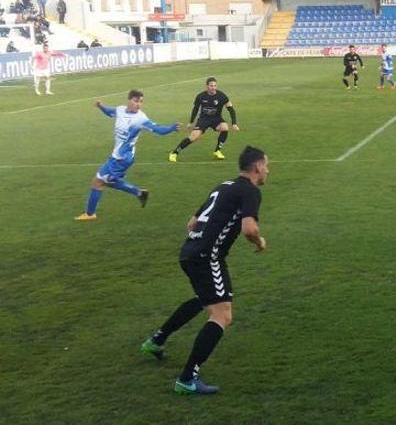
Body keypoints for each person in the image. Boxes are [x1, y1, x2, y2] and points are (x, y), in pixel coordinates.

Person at [140, 146, 268, 395]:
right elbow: (250, 229)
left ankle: (156, 340)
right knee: (222, 315)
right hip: (207, 256)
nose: (268, 170)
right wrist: (259, 241)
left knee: (205, 299)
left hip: (189, 251)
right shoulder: (250, 191)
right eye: (267, 165)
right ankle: (187, 378)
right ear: (258, 167)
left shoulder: (224, 186)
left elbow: (192, 222)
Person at [75, 91, 180, 221]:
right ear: (129, 100)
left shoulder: (141, 119)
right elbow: (110, 112)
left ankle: (90, 214)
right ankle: (139, 193)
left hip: (122, 158)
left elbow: (158, 130)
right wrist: (101, 106)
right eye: (136, 101)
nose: (138, 104)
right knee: (109, 181)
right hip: (118, 155)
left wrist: (171, 128)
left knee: (97, 182)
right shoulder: (120, 110)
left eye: (141, 102)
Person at [169, 77, 239, 162]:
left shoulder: (222, 96)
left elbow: (231, 109)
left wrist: (234, 123)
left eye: (215, 86)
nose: (213, 88)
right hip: (204, 119)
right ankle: (174, 153)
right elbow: (195, 109)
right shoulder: (201, 96)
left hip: (216, 119)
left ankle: (217, 151)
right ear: (207, 86)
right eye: (211, 86)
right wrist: (191, 122)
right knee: (193, 137)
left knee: (224, 127)